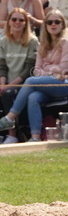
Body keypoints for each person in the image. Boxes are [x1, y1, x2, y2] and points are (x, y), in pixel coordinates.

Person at [0, 10, 68, 141]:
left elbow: (64, 69)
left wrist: (48, 69)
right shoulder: (43, 43)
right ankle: (35, 137)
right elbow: (37, 70)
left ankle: (10, 117)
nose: (53, 25)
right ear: (45, 25)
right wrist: (53, 70)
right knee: (33, 96)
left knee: (31, 81)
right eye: (49, 22)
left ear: (62, 25)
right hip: (50, 83)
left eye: (57, 22)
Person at [0, 8, 38, 143]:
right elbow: (2, 67)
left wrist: (7, 86)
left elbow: (28, 70)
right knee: (5, 90)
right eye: (14, 19)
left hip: (25, 83)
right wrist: (2, 84)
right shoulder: (3, 41)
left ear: (25, 23)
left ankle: (12, 134)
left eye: (21, 20)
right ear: (9, 22)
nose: (17, 22)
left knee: (8, 93)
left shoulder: (33, 41)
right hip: (8, 81)